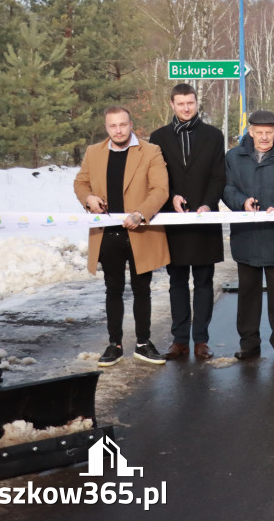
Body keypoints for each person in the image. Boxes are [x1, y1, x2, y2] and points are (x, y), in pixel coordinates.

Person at [74, 105, 170, 367]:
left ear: (131, 124)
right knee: (112, 289)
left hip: (140, 229)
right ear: (107, 128)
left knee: (142, 289)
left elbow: (160, 189)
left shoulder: (151, 151)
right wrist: (89, 198)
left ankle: (143, 343)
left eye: (123, 125)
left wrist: (141, 213)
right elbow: (80, 183)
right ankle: (114, 344)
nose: (118, 130)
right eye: (113, 126)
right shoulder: (94, 152)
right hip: (108, 233)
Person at [149, 83, 225, 361]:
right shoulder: (157, 137)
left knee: (204, 281)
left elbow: (219, 176)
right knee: (177, 282)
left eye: (190, 103)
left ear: (196, 103)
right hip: (174, 219)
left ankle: (201, 340)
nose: (186, 108)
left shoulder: (214, 136)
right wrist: (171, 198)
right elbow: (155, 178)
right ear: (172, 104)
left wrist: (207, 203)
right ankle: (179, 340)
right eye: (180, 104)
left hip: (204, 218)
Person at [223, 110, 274, 362]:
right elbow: (227, 188)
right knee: (248, 294)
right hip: (246, 237)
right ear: (250, 132)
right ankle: (249, 343)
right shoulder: (234, 157)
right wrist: (241, 202)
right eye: (259, 132)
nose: (264, 137)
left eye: (269, 132)